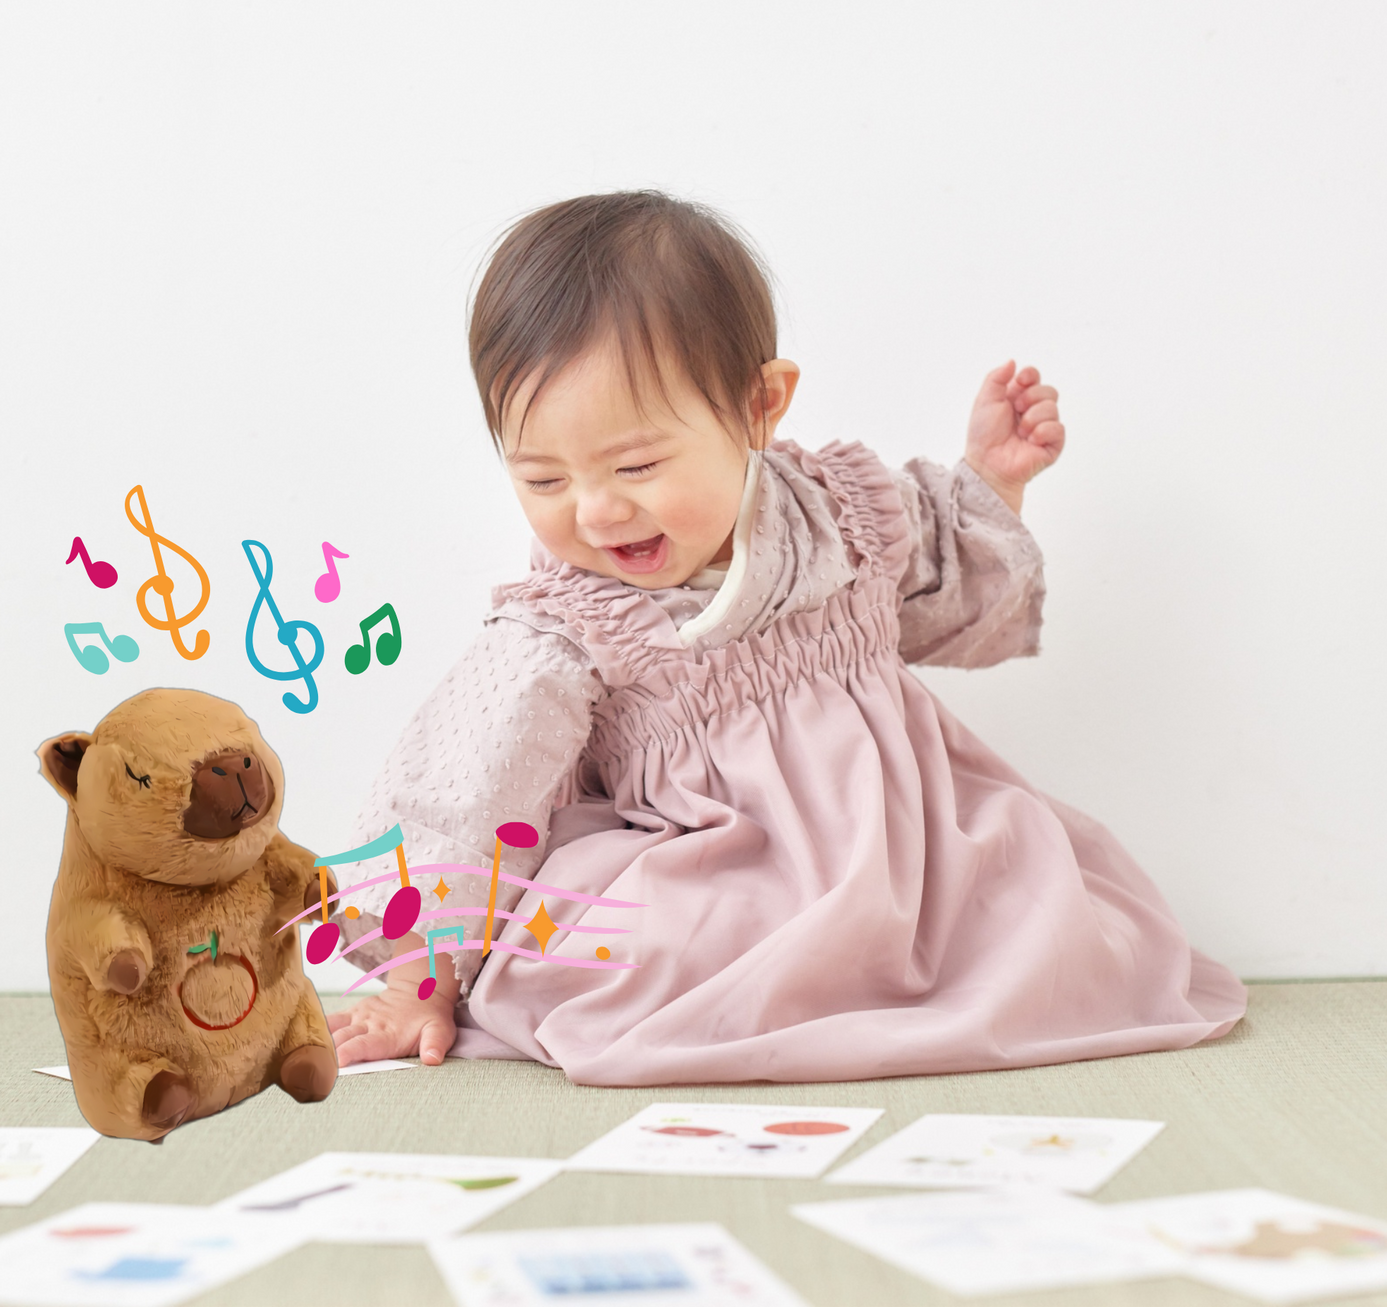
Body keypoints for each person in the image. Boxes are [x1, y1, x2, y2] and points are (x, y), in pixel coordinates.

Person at [326, 190, 1246, 1085]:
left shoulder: (839, 514)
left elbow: (927, 588)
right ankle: (777, 985)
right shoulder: (565, 626)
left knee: (1032, 884)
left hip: (909, 851)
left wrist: (990, 485)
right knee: (645, 940)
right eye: (544, 478)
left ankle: (901, 963)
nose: (598, 509)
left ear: (760, 405)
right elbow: (462, 792)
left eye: (636, 463)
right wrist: (417, 983)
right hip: (715, 866)